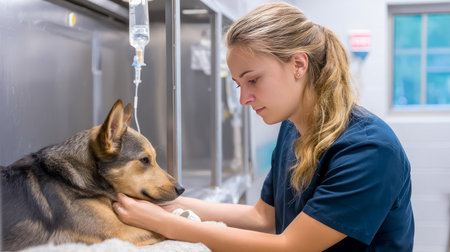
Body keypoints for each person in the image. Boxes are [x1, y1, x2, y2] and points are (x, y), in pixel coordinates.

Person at [113, 2, 414, 251]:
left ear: (298, 64)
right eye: (238, 84)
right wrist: (165, 203)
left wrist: (166, 223)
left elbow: (291, 246)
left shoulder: (369, 150)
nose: (243, 98)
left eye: (253, 80)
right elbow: (262, 216)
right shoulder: (292, 130)